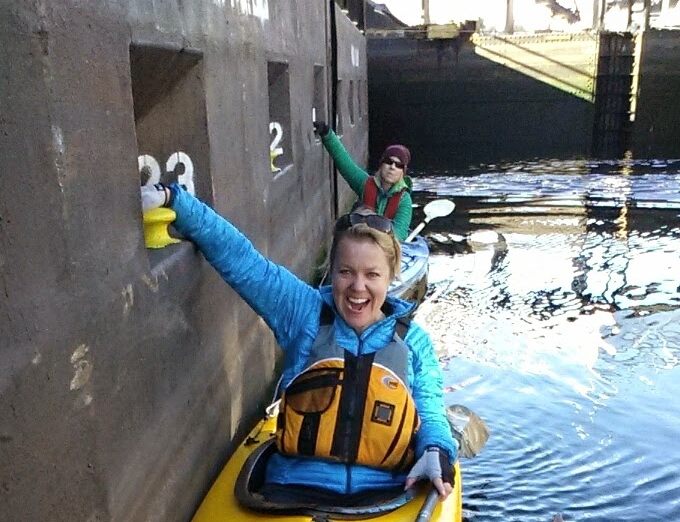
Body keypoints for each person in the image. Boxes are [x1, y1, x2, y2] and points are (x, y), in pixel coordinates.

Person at [142, 181, 454, 501]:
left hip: (386, 492)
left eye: (372, 275)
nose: (358, 287)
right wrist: (176, 200)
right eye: (346, 272)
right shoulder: (304, 312)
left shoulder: (413, 341)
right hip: (292, 490)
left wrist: (436, 448)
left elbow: (430, 409)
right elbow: (243, 261)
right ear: (331, 271)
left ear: (391, 276)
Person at [313, 123, 414, 243]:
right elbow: (345, 163)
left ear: (403, 172)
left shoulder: (404, 200)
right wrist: (327, 133)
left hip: (385, 247)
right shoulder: (365, 183)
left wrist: (374, 231)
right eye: (388, 161)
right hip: (361, 242)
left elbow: (399, 235)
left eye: (398, 165)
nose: (392, 167)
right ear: (381, 164)